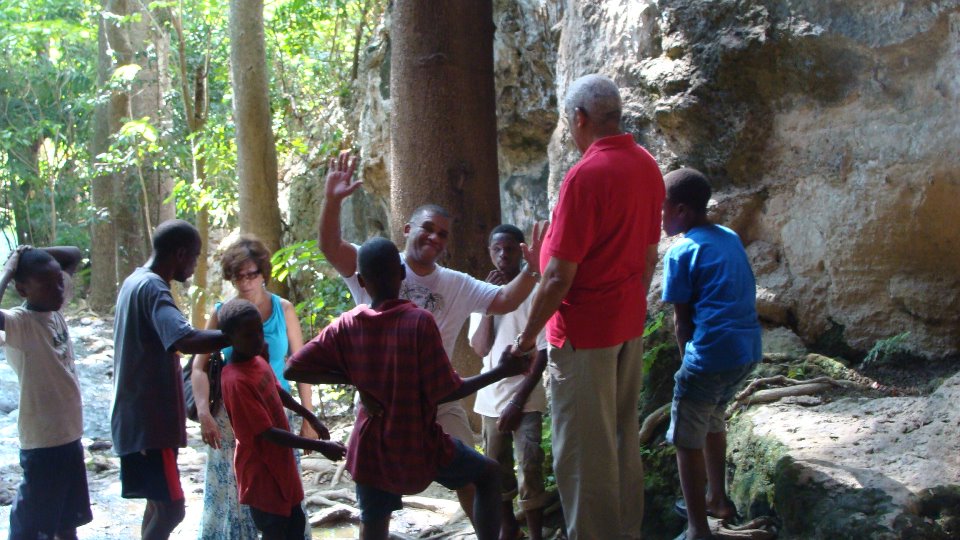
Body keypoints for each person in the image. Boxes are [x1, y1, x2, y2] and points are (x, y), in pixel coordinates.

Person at [318, 151, 546, 519]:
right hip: (383, 404)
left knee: (471, 479)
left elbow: (504, 299)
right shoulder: (377, 265)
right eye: (427, 228)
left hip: (440, 399)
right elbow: (331, 247)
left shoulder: (454, 284)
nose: (435, 238)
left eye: (442, 234)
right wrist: (332, 200)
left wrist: (533, 271)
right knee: (376, 503)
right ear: (408, 229)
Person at [284, 237, 532, 540]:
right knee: (488, 474)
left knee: (374, 525)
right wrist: (502, 371)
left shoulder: (348, 324)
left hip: (371, 450)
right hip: (419, 444)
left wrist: (357, 377)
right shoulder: (418, 322)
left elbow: (294, 367)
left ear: (362, 280)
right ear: (401, 273)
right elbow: (447, 391)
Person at [511, 73, 666, 539]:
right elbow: (647, 255)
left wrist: (524, 337)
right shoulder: (647, 166)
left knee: (581, 454)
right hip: (627, 325)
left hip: (584, 334)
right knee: (620, 440)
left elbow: (559, 275)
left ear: (579, 119)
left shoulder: (585, 176)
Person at [111, 219, 231, 540]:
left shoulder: (134, 282)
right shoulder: (153, 288)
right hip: (150, 425)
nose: (194, 265)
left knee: (157, 505)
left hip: (136, 421)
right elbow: (185, 339)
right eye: (194, 256)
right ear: (180, 254)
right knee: (172, 507)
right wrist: (235, 336)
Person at [660, 168, 761, 540]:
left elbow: (681, 322)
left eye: (663, 210)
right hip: (746, 353)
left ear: (682, 211)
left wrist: (689, 363)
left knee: (686, 439)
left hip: (710, 357)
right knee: (713, 420)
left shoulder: (682, 251)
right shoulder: (730, 237)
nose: (661, 218)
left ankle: (698, 529)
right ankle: (717, 498)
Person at [192, 235, 315, 540]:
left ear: (263, 273)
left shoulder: (283, 309)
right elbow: (198, 366)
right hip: (232, 418)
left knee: (283, 486)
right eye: (238, 276)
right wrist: (204, 412)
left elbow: (299, 367)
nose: (245, 282)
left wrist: (309, 416)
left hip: (277, 409)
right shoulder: (223, 313)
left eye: (251, 274)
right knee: (236, 490)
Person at [218, 298, 346, 540]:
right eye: (248, 335)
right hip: (262, 474)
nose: (258, 338)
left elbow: (277, 391)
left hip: (282, 465)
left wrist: (310, 417)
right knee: (276, 530)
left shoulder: (256, 358)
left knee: (296, 526)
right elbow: (268, 433)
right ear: (230, 337)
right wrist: (320, 447)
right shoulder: (236, 381)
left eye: (259, 331)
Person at [0, 245, 91, 540]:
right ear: (23, 289)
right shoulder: (20, 323)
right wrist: (11, 267)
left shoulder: (52, 310)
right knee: (32, 531)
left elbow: (74, 254)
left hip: (69, 437)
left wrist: (27, 251)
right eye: (48, 283)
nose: (59, 288)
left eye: (59, 280)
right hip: (42, 445)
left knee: (68, 524)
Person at [467, 225, 548, 540]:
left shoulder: (536, 290)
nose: (503, 256)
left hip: (526, 398)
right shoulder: (481, 294)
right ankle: (510, 530)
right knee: (495, 468)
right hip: (490, 399)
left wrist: (518, 400)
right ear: (490, 252)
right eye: (497, 250)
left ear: (522, 251)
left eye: (510, 249)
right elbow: (480, 349)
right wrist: (488, 309)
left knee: (530, 465)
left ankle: (537, 533)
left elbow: (541, 352)